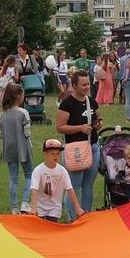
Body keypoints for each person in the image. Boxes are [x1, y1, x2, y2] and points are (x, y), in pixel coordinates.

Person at [56, 71, 102, 218]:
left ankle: (85, 215)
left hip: (93, 146)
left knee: (88, 184)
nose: (87, 87)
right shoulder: (67, 104)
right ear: (74, 85)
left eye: (88, 84)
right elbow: (60, 127)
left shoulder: (91, 101)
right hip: (75, 149)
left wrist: (98, 124)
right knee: (74, 186)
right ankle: (72, 216)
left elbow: (98, 116)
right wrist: (80, 128)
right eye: (83, 85)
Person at [0, 83, 34, 214]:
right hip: (23, 148)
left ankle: (14, 207)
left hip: (9, 148)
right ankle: (25, 202)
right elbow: (27, 133)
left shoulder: (3, 114)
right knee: (30, 174)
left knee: (13, 178)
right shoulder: (23, 113)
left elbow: (0, 133)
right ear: (18, 96)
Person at [30, 139, 82, 223]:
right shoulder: (38, 170)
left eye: (58, 154)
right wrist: (33, 207)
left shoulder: (62, 171)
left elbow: (70, 190)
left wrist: (77, 208)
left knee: (52, 227)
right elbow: (34, 189)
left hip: (54, 207)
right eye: (52, 154)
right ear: (45, 154)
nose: (55, 156)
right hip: (40, 207)